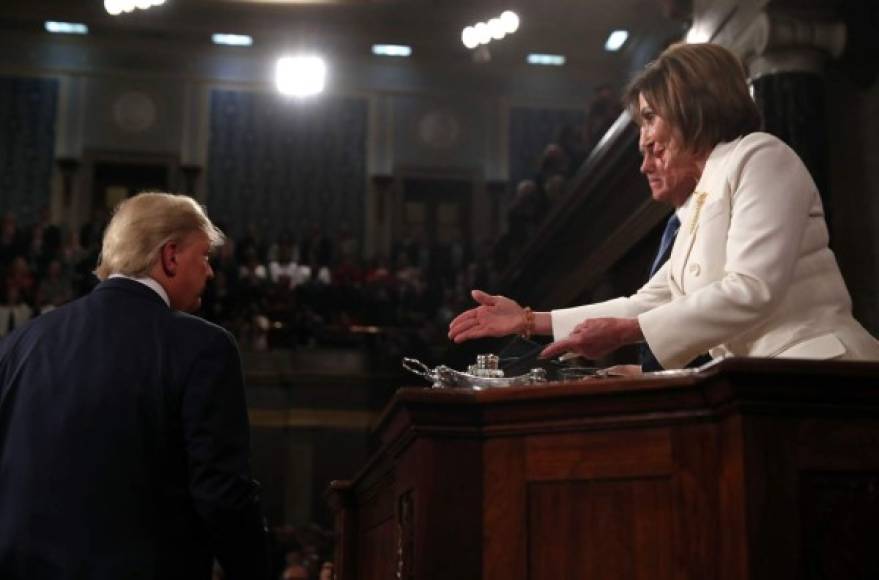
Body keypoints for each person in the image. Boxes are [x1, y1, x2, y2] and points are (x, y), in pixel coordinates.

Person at [449, 42, 879, 369]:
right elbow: (649, 301)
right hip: (762, 382)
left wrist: (626, 333)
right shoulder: (696, 201)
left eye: (650, 117)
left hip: (820, 369)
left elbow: (752, 288)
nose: (643, 139)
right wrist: (529, 321)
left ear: (692, 105)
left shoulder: (759, 156)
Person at [0, 193, 268, 579]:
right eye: (205, 256)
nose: (210, 272)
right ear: (170, 256)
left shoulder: (19, 343)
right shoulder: (203, 347)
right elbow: (223, 495)